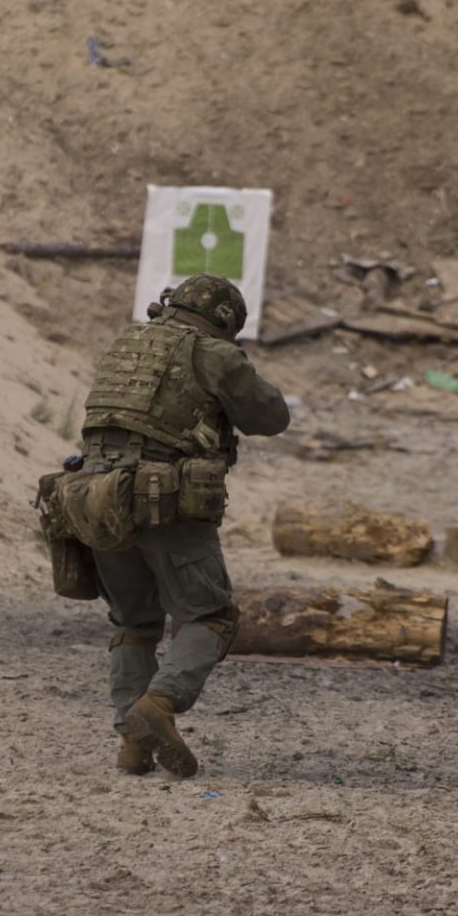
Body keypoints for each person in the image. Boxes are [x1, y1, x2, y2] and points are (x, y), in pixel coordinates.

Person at [78, 273, 290, 778]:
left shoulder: (126, 341)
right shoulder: (215, 354)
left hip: (93, 496)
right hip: (164, 498)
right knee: (211, 616)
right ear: (223, 321)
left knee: (134, 623)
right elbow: (271, 415)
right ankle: (159, 703)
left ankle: (132, 744)